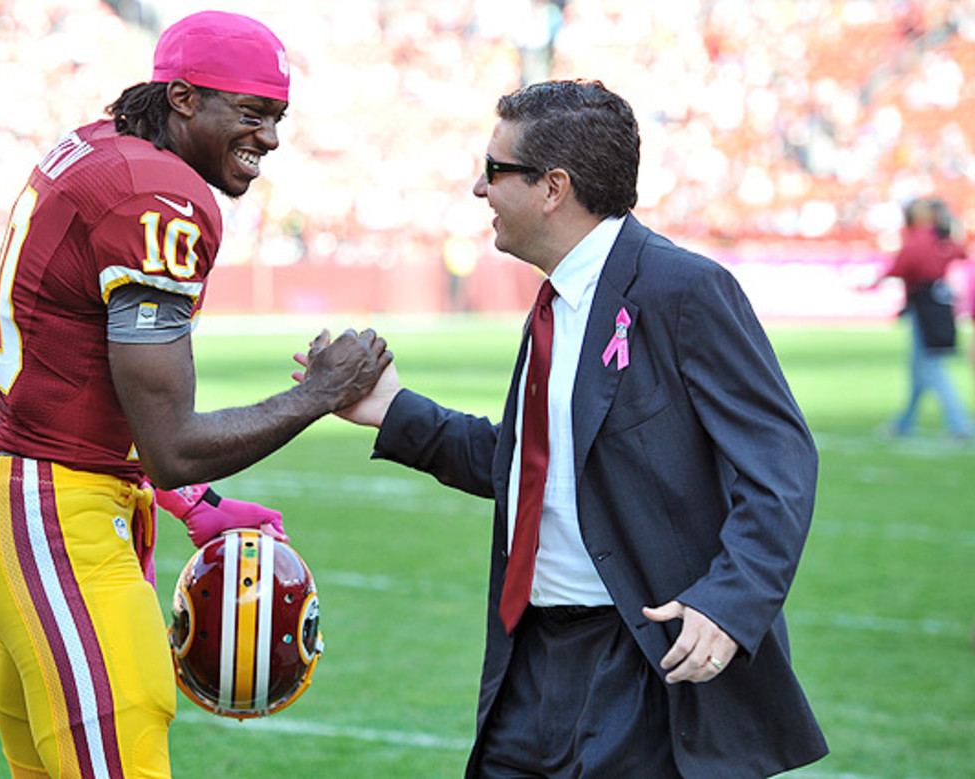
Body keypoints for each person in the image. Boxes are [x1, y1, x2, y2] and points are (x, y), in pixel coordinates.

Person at [326, 80, 828, 777]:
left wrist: (730, 602)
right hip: (529, 661)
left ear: (553, 187)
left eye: (495, 169)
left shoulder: (683, 289)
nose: (480, 187)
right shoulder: (557, 298)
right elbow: (535, 464)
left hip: (643, 661)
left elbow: (779, 463)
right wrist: (393, 409)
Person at [0, 11, 391, 779]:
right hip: (58, 520)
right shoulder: (156, 193)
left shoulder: (104, 148)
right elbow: (172, 444)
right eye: (253, 113)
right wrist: (322, 392)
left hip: (42, 503)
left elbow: (102, 384)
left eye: (278, 117)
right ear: (183, 99)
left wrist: (190, 502)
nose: (271, 138)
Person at [875, 197, 973, 440]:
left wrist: (871, 283)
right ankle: (904, 423)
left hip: (925, 306)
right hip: (941, 305)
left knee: (930, 367)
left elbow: (901, 267)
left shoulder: (919, 240)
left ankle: (959, 423)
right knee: (919, 369)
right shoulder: (945, 240)